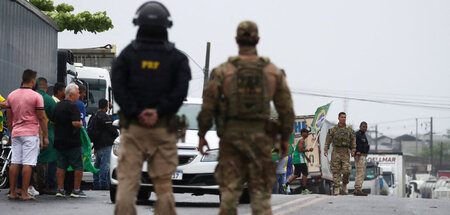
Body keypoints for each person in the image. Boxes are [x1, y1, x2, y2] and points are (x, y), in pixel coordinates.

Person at [197, 20, 295, 215]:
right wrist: (284, 139)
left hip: (231, 140)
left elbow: (208, 106)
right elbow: (286, 110)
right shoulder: (272, 72)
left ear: (236, 40)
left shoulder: (223, 71)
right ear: (257, 40)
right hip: (260, 140)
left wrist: (202, 134)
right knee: (260, 198)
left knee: (229, 196)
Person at [111, 1, 191, 214]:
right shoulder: (178, 59)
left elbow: (118, 88)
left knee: (128, 181)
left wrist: (137, 111)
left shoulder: (127, 56)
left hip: (134, 127)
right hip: (163, 127)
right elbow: (180, 92)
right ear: (167, 25)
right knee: (163, 182)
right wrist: (159, 111)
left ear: (138, 23)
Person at [6, 69, 49, 200]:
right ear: (32, 80)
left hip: (16, 132)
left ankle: (12, 192)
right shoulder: (36, 96)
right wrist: (45, 136)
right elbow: (41, 118)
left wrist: (12, 131)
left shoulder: (11, 95)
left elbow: (9, 117)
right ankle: (25, 193)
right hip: (30, 133)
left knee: (15, 162)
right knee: (27, 163)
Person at [53, 83, 86, 198]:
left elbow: (52, 122)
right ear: (71, 94)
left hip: (59, 141)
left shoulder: (58, 105)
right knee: (78, 166)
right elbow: (75, 123)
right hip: (73, 142)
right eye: (77, 93)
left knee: (61, 166)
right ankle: (76, 190)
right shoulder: (74, 106)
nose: (78, 95)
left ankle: (60, 189)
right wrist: (81, 123)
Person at [35, 77, 58, 194]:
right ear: (47, 87)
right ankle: (47, 186)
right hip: (46, 133)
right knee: (49, 160)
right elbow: (55, 118)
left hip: (28, 132)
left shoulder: (30, 96)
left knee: (29, 161)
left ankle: (31, 186)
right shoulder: (49, 100)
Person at [324, 112, 356, 196]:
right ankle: (337, 188)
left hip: (345, 152)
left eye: (345, 117)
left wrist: (353, 150)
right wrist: (326, 149)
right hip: (336, 152)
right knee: (335, 171)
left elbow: (353, 140)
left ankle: (344, 184)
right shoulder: (333, 129)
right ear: (338, 118)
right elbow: (328, 140)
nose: (343, 119)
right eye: (342, 117)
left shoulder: (349, 130)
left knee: (347, 171)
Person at [92, 99, 119, 190]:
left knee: (97, 165)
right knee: (105, 165)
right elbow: (113, 129)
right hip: (106, 144)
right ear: (106, 106)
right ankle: (103, 184)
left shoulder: (95, 115)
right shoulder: (104, 116)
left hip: (98, 144)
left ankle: (96, 183)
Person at [284, 128, 313, 194]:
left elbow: (299, 151)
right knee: (305, 174)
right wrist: (308, 150)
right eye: (307, 132)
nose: (308, 134)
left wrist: (306, 157)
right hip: (300, 160)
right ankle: (304, 189)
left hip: (297, 159)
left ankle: (285, 185)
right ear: (303, 133)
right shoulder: (301, 140)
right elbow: (300, 150)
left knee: (297, 174)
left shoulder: (300, 140)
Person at [354, 121, 369, 196]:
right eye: (363, 126)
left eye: (366, 127)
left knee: (362, 173)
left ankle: (359, 188)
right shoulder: (357, 134)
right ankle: (357, 189)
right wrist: (356, 151)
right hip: (359, 156)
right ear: (360, 127)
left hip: (363, 155)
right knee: (360, 172)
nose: (365, 128)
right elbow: (353, 144)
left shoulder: (364, 135)